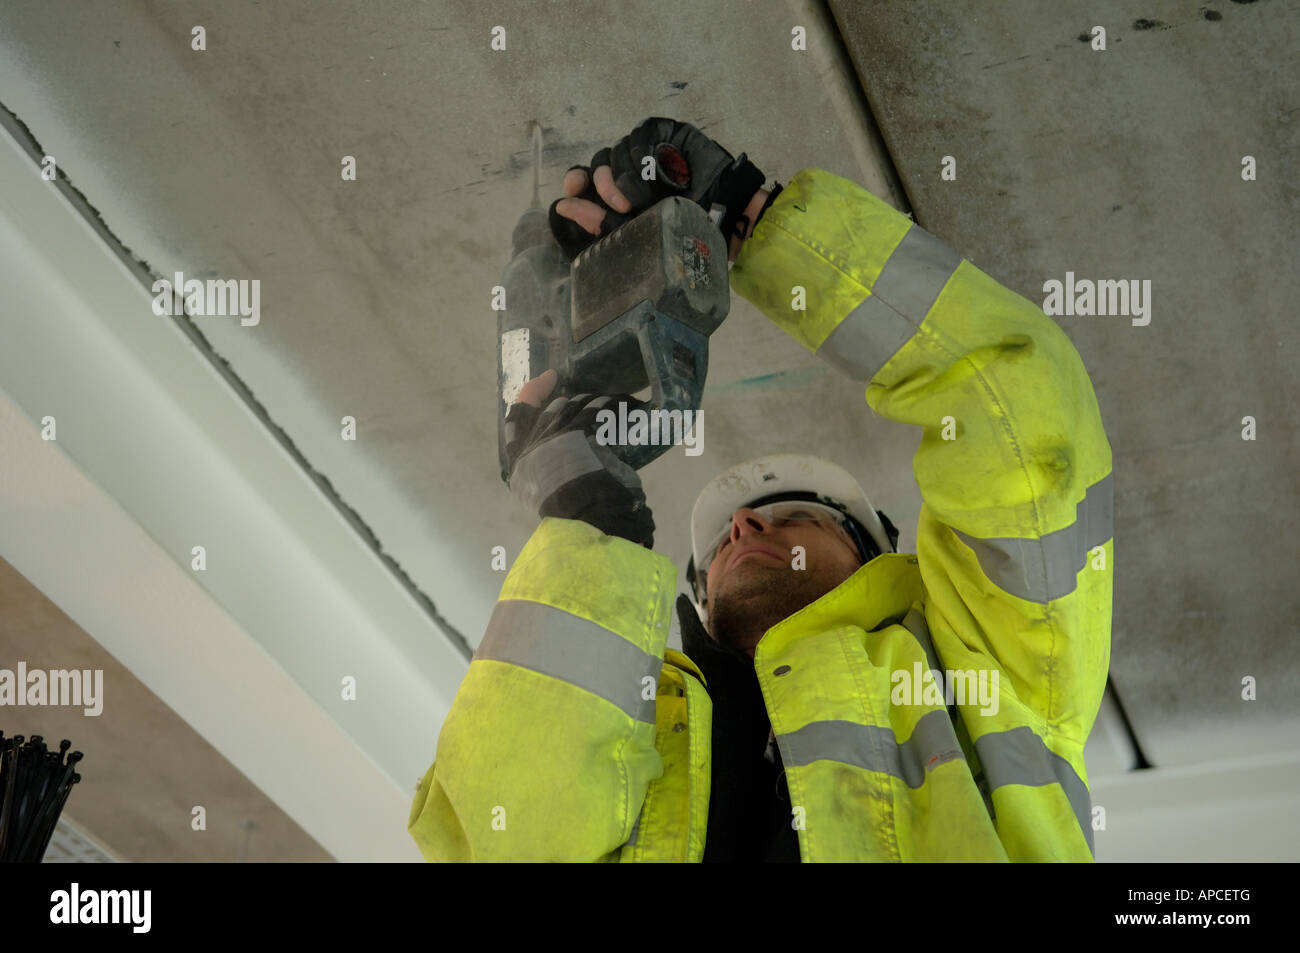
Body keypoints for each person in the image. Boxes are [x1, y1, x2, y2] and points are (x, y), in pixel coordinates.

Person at [408, 118, 1114, 862]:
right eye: (729, 533)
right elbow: (504, 823)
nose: (743, 523)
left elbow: (1017, 405)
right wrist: (592, 540)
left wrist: (587, 531)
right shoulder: (648, 738)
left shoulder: (985, 669)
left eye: (798, 513)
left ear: (877, 564)